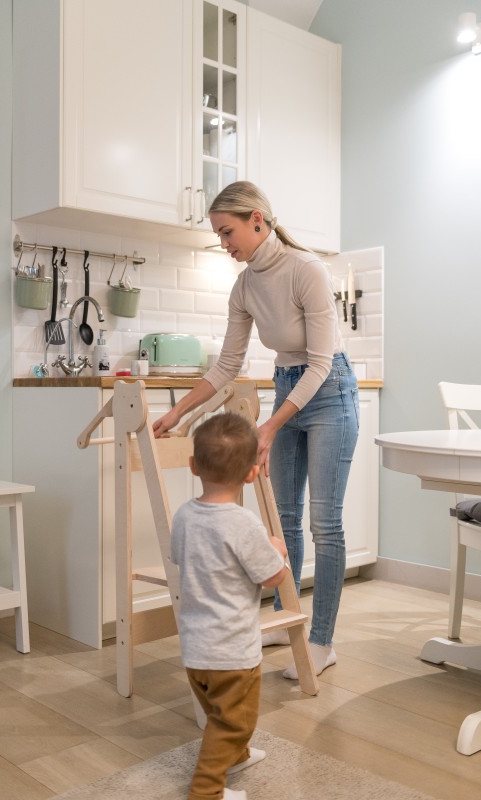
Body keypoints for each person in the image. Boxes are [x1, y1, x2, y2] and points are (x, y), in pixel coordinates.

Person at [154, 180, 359, 680]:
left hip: (328, 391)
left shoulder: (306, 269)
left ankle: (321, 639)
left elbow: (317, 364)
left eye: (228, 233)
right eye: (219, 236)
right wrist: (180, 412)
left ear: (257, 221)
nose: (225, 245)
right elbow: (226, 365)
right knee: (283, 520)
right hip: (289, 385)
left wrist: (268, 426)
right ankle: (280, 617)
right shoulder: (245, 286)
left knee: (323, 524)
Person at [171, 412, 288, 800]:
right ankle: (206, 791)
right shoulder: (244, 524)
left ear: (193, 466)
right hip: (233, 654)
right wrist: (278, 552)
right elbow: (272, 578)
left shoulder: (185, 516)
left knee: (220, 714)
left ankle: (235, 757)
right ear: (253, 474)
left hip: (196, 650)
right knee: (234, 723)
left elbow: (180, 557)